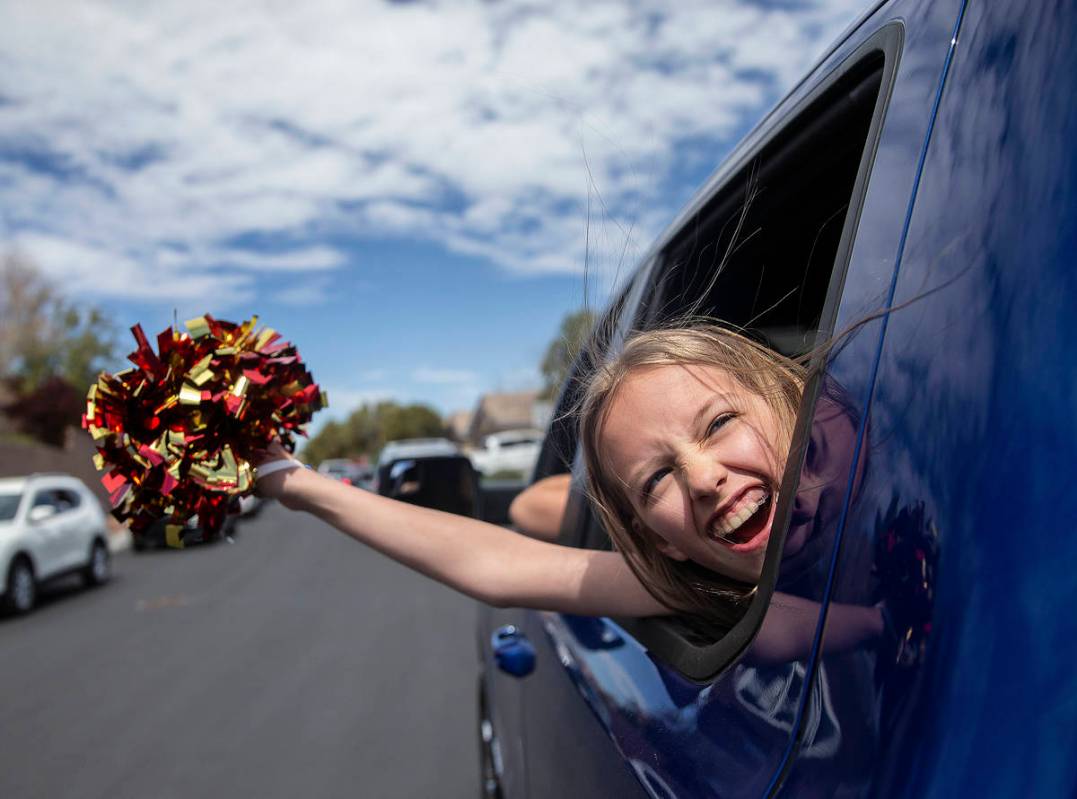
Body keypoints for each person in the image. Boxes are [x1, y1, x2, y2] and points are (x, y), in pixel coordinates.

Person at [254, 324, 882, 662]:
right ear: (660, 543)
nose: (701, 477)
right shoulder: (691, 583)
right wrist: (297, 483)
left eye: (719, 424)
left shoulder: (900, 440)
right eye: (656, 480)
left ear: (798, 402)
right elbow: (495, 565)